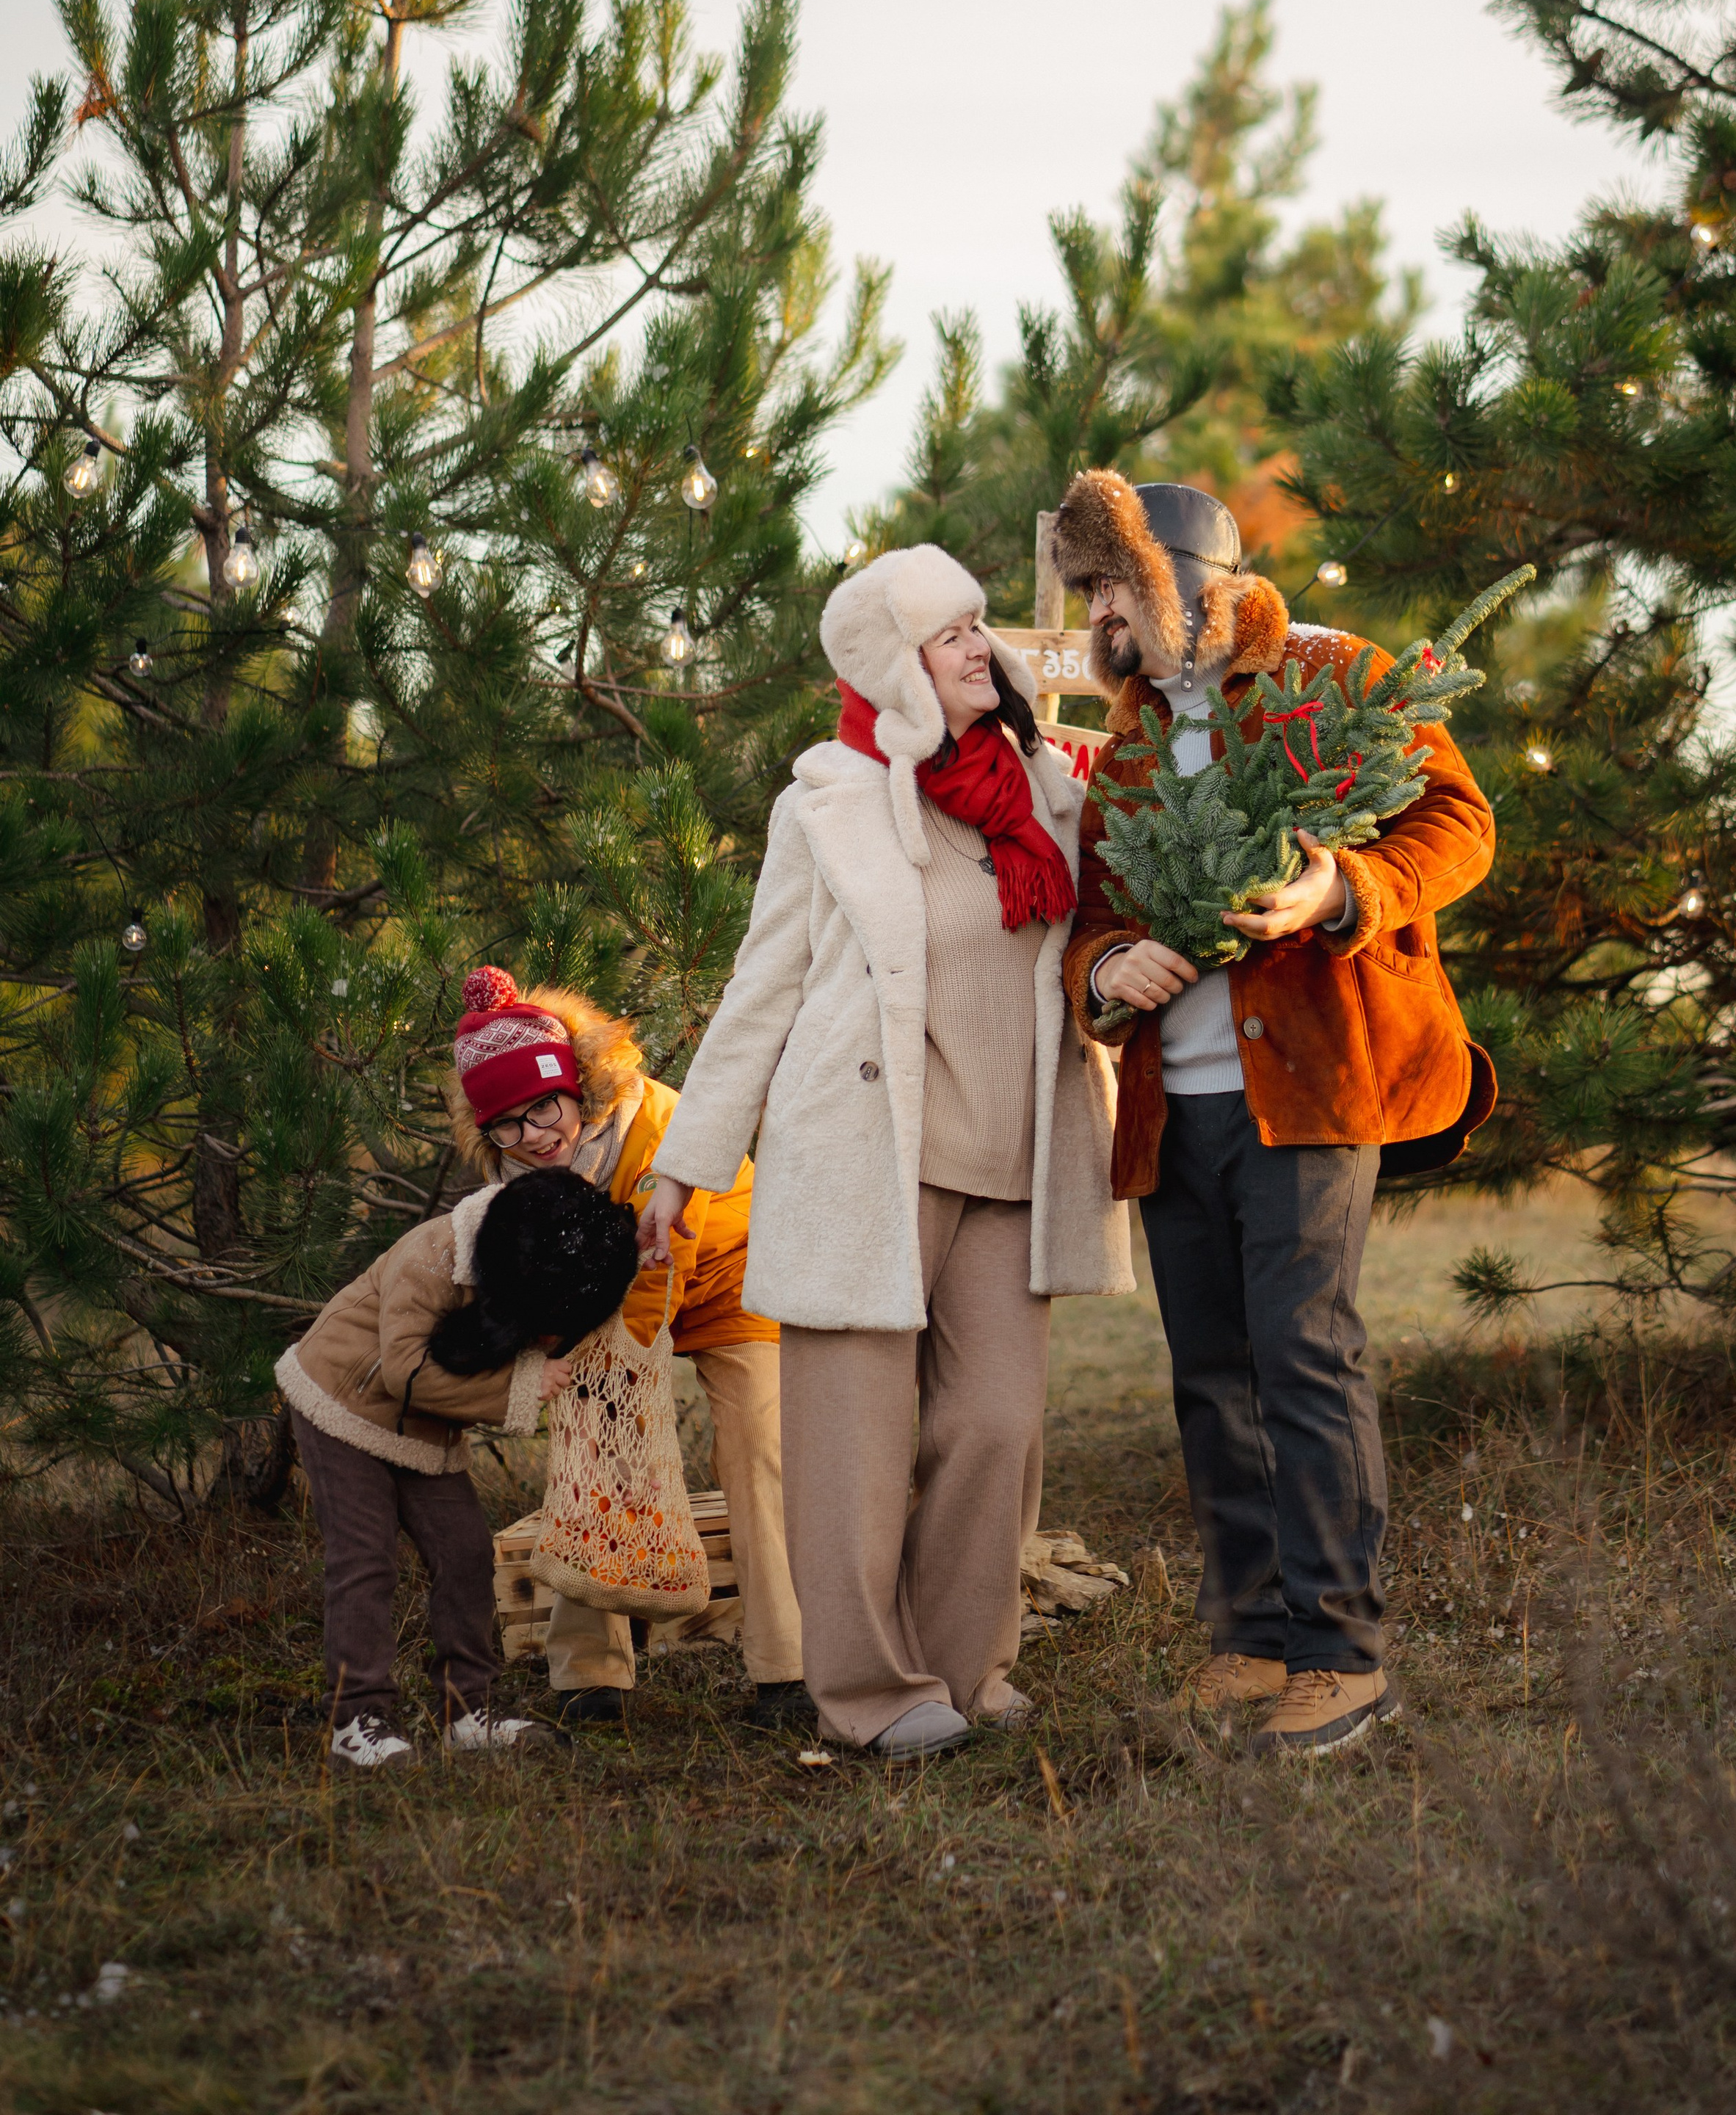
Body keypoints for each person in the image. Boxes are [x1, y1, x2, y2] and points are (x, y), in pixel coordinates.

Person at [641, 544, 1133, 1757]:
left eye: (980, 628)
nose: (983, 648)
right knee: (852, 1443)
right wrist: (685, 1160)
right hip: (864, 1155)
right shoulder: (830, 802)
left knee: (998, 1427)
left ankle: (966, 1669)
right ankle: (867, 1693)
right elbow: (762, 990)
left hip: (1014, 1166)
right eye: (950, 635)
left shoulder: (1052, 793)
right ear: (893, 667)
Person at [1051, 471, 1497, 1757]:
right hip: (1171, 1106)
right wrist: (1104, 971)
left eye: (1112, 589)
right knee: (1211, 1378)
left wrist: (1343, 890)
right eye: (1088, 595)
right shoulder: (1130, 738)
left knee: (1305, 1356)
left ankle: (1343, 1656)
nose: (1098, 619)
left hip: (1309, 1092)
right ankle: (1249, 1640)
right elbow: (1093, 913)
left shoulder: (1331, 672)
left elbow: (1460, 826)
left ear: (1189, 580)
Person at [442, 968, 805, 1729]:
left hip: (727, 1276)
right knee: (592, 1448)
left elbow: (659, 1263)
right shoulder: (512, 1169)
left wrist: (624, 1367)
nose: (535, 1135)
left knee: (759, 1450)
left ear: (578, 1083)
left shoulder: (655, 1122)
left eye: (545, 1106)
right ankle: (591, 1672)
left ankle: (787, 1669)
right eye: (507, 1124)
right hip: (611, 1302)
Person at [276, 1151, 636, 1769]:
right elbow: (404, 1373)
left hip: (422, 1425)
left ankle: (468, 1711)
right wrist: (523, 1385)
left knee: (466, 1552)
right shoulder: (431, 1255)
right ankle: (357, 1718)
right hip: (342, 1404)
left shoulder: (540, 1259)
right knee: (365, 1560)